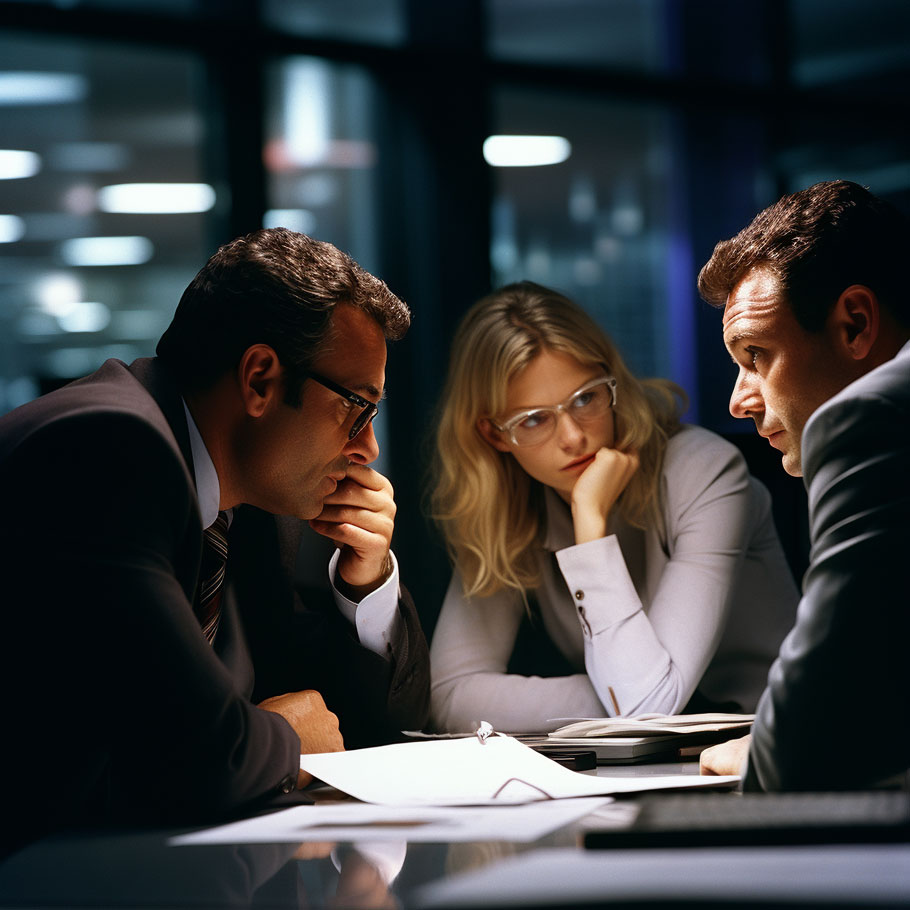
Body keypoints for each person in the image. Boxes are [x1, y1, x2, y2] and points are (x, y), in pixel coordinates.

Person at [0, 228, 430, 856]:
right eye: (356, 408)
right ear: (259, 379)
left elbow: (363, 734)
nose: (368, 448)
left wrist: (363, 584)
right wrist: (287, 740)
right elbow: (196, 752)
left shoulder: (249, 500)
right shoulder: (106, 448)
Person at [427, 280, 799, 733]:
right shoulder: (510, 503)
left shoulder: (707, 471)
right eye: (535, 419)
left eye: (585, 398)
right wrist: (614, 694)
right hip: (642, 760)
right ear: (494, 434)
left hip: (772, 745)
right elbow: (449, 695)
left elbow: (644, 706)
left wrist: (589, 525)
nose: (573, 437)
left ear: (612, 385)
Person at [696, 180, 910, 790]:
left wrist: (762, 749)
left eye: (756, 354)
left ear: (855, 324)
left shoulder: (873, 421)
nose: (739, 401)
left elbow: (800, 747)